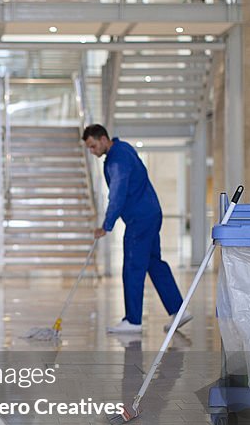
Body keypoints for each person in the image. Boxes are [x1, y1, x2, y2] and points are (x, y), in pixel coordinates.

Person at [82, 124, 191, 335]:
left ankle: (133, 320)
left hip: (139, 219)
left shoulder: (116, 159)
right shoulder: (124, 149)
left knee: (132, 267)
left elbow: (118, 192)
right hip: (151, 213)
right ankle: (178, 310)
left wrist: (107, 224)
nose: (92, 151)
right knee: (153, 263)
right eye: (89, 148)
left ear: (104, 139)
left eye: (93, 146)